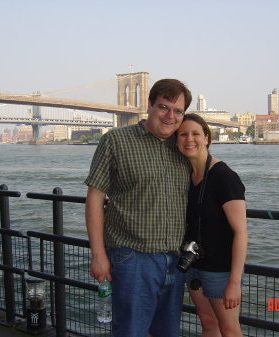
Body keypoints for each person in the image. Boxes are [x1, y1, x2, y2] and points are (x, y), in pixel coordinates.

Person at [84, 78, 193, 337]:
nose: (170, 116)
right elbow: (94, 198)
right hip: (132, 258)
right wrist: (98, 255)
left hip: (176, 260)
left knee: (169, 333)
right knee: (130, 332)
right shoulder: (116, 141)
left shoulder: (184, 146)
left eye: (178, 111)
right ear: (149, 105)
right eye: (164, 107)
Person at [176, 113, 247, 337]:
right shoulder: (185, 175)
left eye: (196, 133)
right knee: (208, 324)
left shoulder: (224, 177)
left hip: (221, 271)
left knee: (229, 329)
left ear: (207, 138)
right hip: (193, 264)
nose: (189, 139)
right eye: (183, 134)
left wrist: (234, 283)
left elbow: (241, 232)